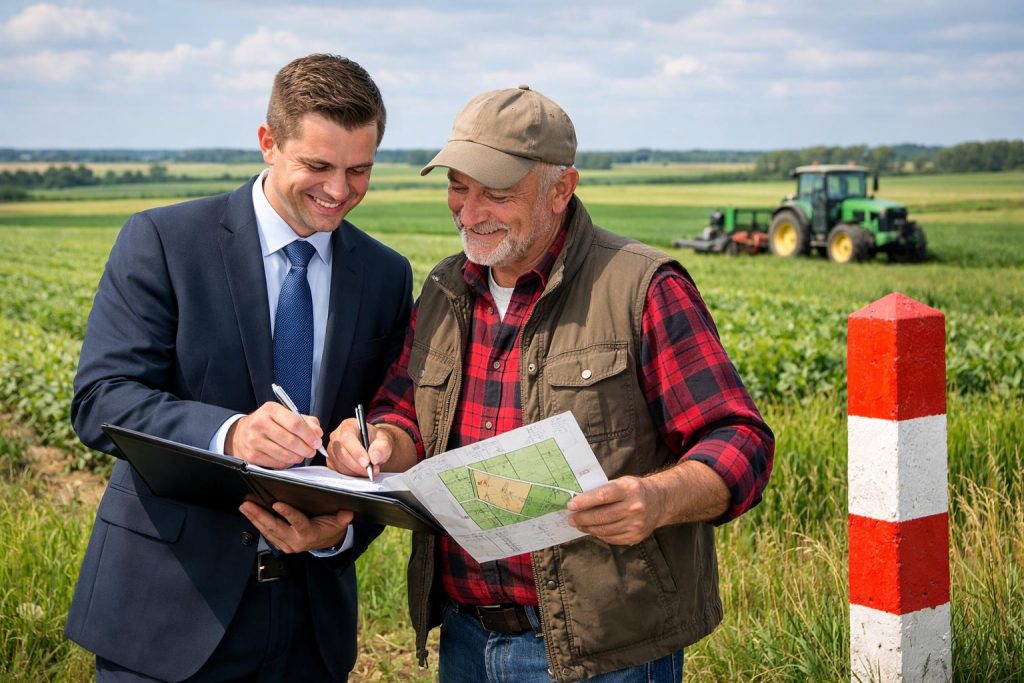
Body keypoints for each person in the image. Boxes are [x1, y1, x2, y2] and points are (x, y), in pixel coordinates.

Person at [327, 86, 775, 682]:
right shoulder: (443, 291)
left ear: (561, 189)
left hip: (603, 654)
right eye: (458, 186)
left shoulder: (642, 287)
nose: (468, 210)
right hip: (465, 637)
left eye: (497, 193)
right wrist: (380, 442)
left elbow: (740, 438)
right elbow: (405, 413)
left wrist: (658, 500)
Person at [66, 54, 413, 682]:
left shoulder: (386, 275)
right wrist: (230, 434)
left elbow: (384, 414)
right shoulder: (163, 241)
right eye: (318, 166)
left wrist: (342, 520)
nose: (339, 191)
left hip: (312, 622)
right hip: (164, 615)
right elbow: (101, 401)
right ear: (268, 143)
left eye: (359, 170)